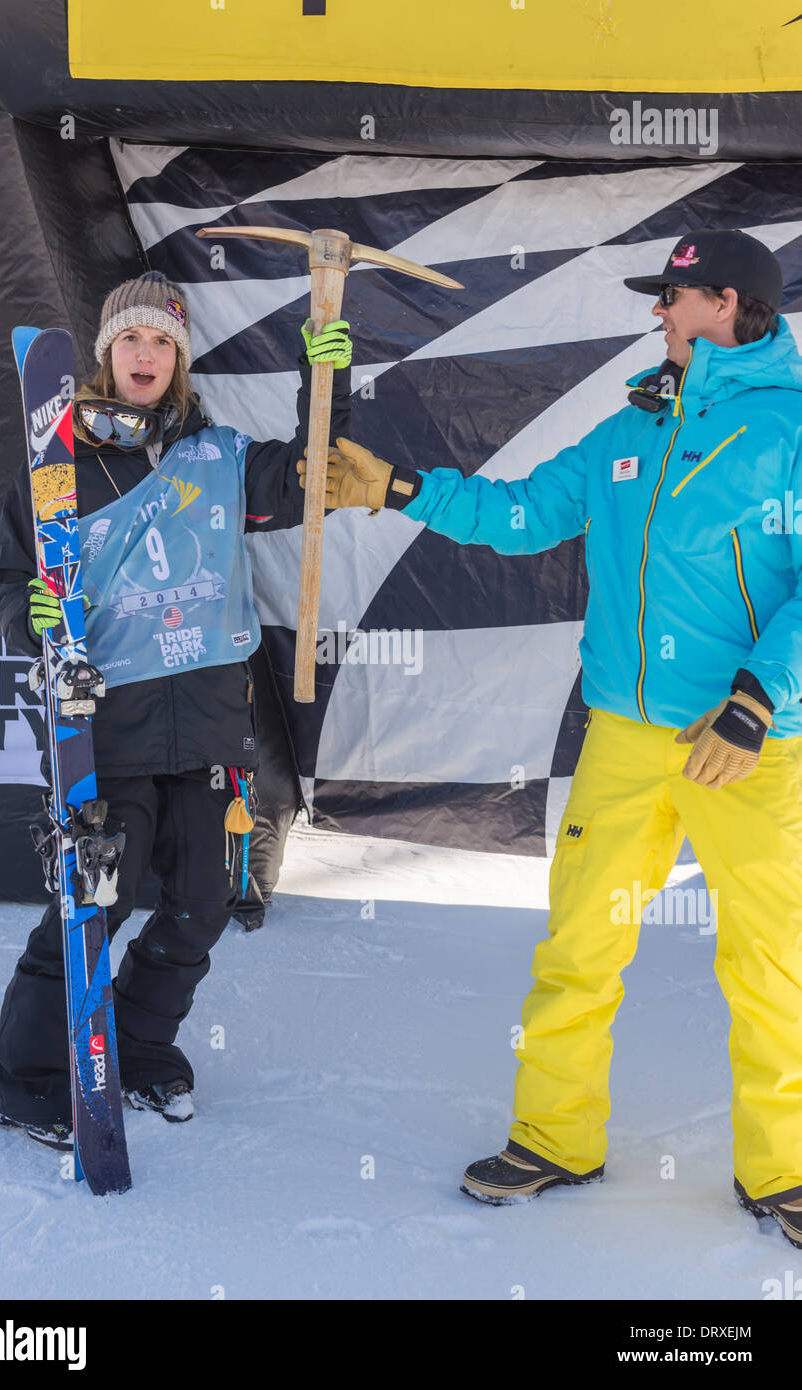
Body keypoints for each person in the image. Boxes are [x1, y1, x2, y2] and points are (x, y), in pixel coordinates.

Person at [301, 229, 802, 1249]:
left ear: (727, 304)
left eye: (672, 296)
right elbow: (525, 514)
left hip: (750, 742)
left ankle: (786, 1167)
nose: (656, 312)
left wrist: (757, 701)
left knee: (774, 961)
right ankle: (556, 1136)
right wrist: (399, 488)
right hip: (625, 736)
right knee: (579, 946)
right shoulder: (636, 428)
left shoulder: (789, 429)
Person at [0, 270, 351, 1148]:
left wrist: (324, 385)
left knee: (202, 904)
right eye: (131, 339)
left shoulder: (218, 458)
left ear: (178, 359)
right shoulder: (58, 464)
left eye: (163, 342)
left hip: (212, 730)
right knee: (92, 907)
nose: (146, 354)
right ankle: (22, 1079)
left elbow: (313, 478)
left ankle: (141, 1052)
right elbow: (10, 578)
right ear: (107, 354)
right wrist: (26, 610)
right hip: (104, 730)